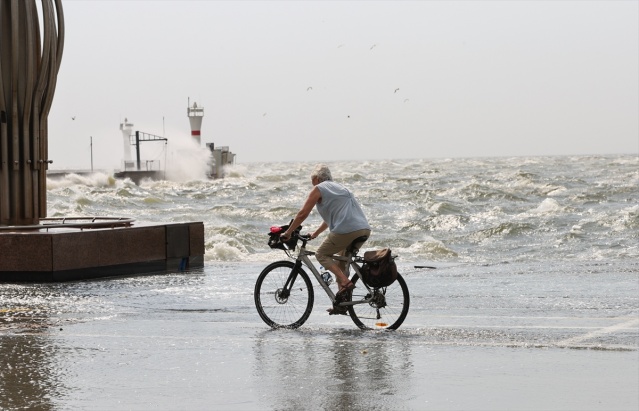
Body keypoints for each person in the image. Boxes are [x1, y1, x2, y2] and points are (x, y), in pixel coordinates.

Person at [280, 164, 371, 314]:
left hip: (346, 231)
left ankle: (346, 282)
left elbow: (303, 213)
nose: (312, 184)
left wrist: (288, 232)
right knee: (340, 264)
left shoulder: (319, 188)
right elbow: (330, 218)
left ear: (317, 178)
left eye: (312, 180)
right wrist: (315, 233)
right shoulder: (339, 188)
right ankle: (342, 304)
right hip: (363, 229)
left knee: (321, 255)